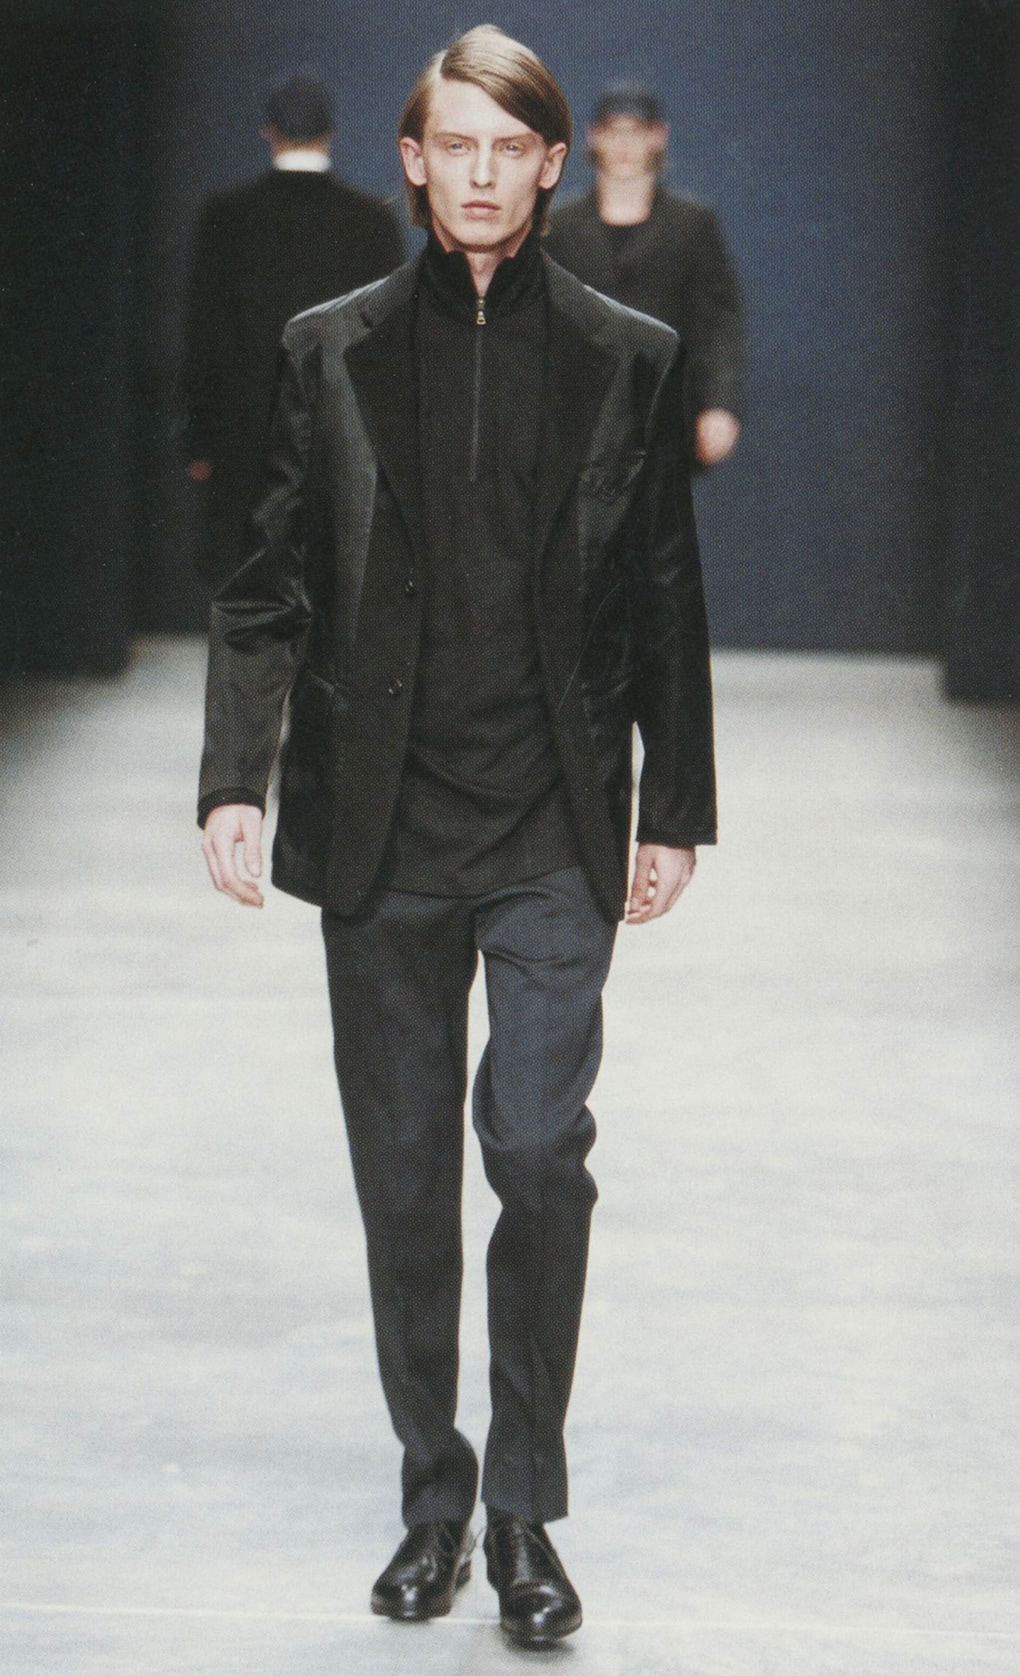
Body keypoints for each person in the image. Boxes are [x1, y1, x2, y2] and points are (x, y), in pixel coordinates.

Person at [197, 26, 716, 1650]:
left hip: (553, 817)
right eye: (456, 146)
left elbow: (666, 591)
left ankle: (524, 1512)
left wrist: (676, 807)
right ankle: (436, 1492)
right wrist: (234, 775)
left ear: (552, 164)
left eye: (512, 148)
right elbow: (266, 578)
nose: (483, 174)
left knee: (540, 1153)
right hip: (384, 827)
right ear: (415, 162)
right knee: (408, 1180)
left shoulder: (629, 352)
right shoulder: (329, 348)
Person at [181, 72, 404, 586]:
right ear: (331, 133)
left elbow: (205, 337)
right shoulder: (371, 222)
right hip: (341, 438)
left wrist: (199, 442)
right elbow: (387, 343)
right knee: (333, 586)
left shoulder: (226, 218)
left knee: (247, 586)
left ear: (268, 131)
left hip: (244, 441)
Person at [545, 81, 744, 469]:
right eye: (613, 131)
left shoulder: (691, 225)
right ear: (594, 137)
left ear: (658, 136)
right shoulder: (559, 228)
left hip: (667, 419)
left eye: (635, 131)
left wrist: (720, 403)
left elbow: (718, 325)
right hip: (579, 421)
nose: (624, 145)